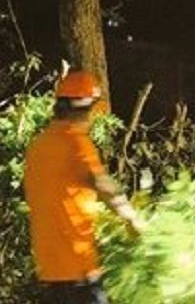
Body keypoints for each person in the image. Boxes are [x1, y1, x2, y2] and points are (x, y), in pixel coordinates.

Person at [23, 70, 143, 304]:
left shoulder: (39, 146)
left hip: (48, 267)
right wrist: (131, 217)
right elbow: (101, 183)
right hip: (77, 268)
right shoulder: (75, 142)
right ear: (86, 108)